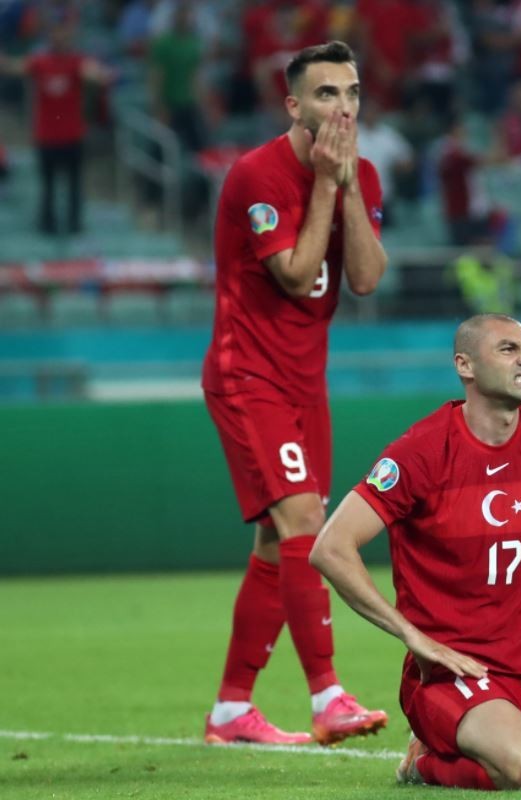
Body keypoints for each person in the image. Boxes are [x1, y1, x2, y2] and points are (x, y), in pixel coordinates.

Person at [309, 314, 521, 789]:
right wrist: (413, 638)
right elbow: (331, 548)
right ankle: (424, 761)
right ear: (464, 365)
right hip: (457, 674)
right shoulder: (422, 453)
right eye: (509, 349)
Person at [200, 41, 389, 746]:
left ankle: (230, 710)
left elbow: (365, 278)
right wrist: (322, 186)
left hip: (306, 381)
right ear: (294, 105)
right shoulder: (255, 174)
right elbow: (295, 271)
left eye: (351, 93)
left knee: (278, 545)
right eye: (326, 94)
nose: (342, 107)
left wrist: (344, 187)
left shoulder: (360, 173)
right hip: (247, 374)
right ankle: (328, 696)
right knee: (306, 520)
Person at [0, 22, 113, 235]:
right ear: (50, 38)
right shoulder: (41, 62)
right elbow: (16, 67)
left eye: (64, 36)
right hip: (47, 135)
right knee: (48, 185)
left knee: (74, 185)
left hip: (72, 134)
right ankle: (47, 225)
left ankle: (74, 225)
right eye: (56, 36)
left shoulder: (76, 62)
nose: (60, 40)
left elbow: (93, 73)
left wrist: (102, 75)